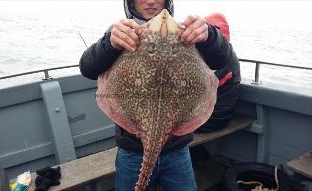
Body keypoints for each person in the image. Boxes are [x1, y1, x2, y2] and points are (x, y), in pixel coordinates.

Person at [79, 0, 239, 190]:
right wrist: (109, 43)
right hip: (132, 152)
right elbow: (87, 68)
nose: (150, 1)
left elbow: (224, 59)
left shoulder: (187, 33)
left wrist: (210, 35)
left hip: (177, 150)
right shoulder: (123, 33)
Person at [189, 13, 241, 162]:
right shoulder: (227, 52)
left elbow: (209, 84)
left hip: (216, 118)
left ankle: (197, 158)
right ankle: (199, 156)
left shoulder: (224, 60)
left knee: (177, 130)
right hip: (218, 112)